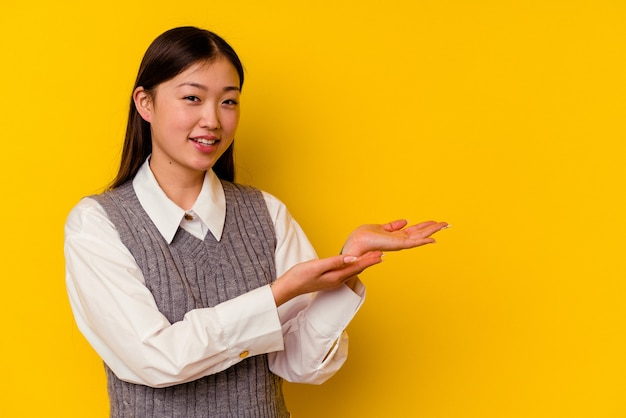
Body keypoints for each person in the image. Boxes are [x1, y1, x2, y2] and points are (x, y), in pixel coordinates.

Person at [64, 26, 448, 418]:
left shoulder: (266, 213)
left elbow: (300, 364)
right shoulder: (97, 224)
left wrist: (348, 266)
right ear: (145, 103)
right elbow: (156, 359)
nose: (212, 120)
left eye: (228, 102)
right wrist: (277, 294)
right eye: (192, 98)